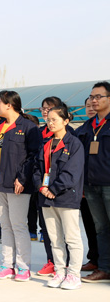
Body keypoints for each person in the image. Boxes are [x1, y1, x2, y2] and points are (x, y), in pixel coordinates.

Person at [0, 90, 42, 282]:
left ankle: (23, 267)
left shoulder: (27, 127)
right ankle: (7, 265)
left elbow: (34, 156)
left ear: (9, 105)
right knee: (5, 226)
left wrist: (22, 178)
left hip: (17, 184)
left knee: (18, 225)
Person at [33, 104, 84, 290]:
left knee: (71, 238)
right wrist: (41, 187)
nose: (51, 123)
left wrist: (53, 189)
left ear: (66, 121)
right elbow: (37, 169)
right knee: (55, 239)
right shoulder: (46, 144)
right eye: (48, 120)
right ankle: (60, 271)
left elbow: (72, 172)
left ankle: (74, 275)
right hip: (46, 198)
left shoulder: (74, 144)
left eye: (54, 120)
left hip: (66, 198)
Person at [79, 81, 110, 283]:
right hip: (90, 186)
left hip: (108, 184)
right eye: (92, 97)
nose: (94, 101)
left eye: (99, 96)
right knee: (101, 229)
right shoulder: (87, 127)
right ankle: (104, 268)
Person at [75, 97, 99, 272]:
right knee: (90, 225)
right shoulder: (81, 131)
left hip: (103, 185)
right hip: (85, 186)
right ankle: (94, 258)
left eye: (93, 105)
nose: (91, 108)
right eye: (87, 106)